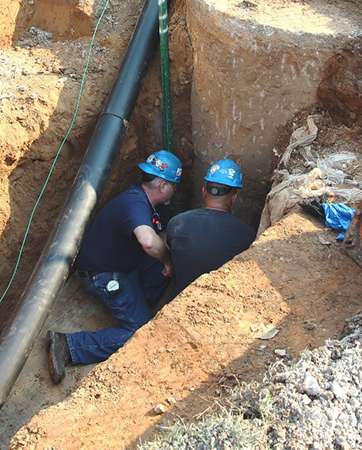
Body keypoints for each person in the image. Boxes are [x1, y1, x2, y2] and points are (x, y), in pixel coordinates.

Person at [46, 149, 182, 384]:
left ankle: (136, 304)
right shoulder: (134, 202)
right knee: (140, 333)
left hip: (128, 264)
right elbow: (149, 241)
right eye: (174, 186)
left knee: (170, 259)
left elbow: (161, 233)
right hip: (102, 275)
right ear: (163, 187)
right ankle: (69, 345)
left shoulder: (157, 205)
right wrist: (167, 260)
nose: (174, 191)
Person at [164, 159, 256, 301]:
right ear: (234, 198)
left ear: (204, 192)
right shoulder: (247, 236)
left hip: (180, 302)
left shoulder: (176, 223)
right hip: (219, 305)